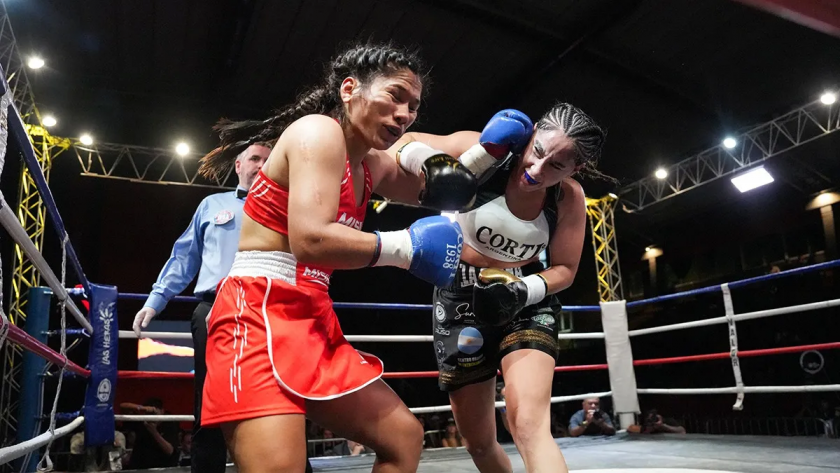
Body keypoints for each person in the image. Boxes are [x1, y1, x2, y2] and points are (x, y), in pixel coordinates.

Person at [195, 42, 474, 473]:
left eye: (414, 106)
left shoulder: (370, 166)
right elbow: (311, 240)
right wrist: (406, 248)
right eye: (395, 95)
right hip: (257, 310)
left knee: (403, 437)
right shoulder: (317, 132)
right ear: (349, 90)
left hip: (312, 313)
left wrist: (514, 143)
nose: (404, 113)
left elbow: (454, 146)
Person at [388, 103, 608, 472]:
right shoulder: (487, 150)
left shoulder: (568, 197)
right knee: (478, 443)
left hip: (527, 297)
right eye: (538, 150)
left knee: (528, 425)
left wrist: (523, 291)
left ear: (576, 169)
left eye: (556, 165)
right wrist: (434, 163)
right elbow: (401, 144)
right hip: (459, 296)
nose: (537, 169)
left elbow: (566, 269)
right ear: (531, 133)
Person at [132, 142, 271, 473]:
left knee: (273, 393)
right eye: (255, 158)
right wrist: (156, 300)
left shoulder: (286, 206)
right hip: (214, 309)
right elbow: (185, 257)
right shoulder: (212, 205)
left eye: (268, 160)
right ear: (238, 166)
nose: (261, 165)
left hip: (267, 308)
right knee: (209, 396)